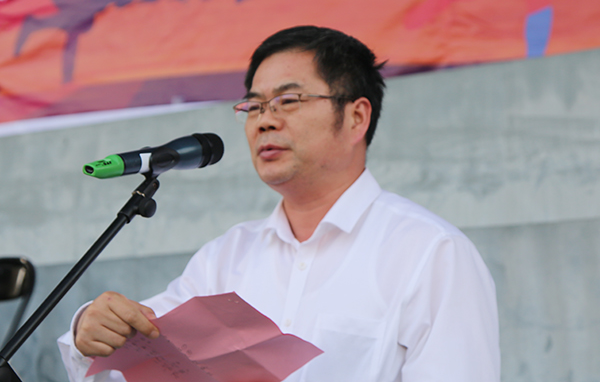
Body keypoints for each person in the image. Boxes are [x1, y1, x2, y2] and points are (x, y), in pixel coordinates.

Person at [58, 25, 500, 381]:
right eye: (253, 107)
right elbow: (140, 358)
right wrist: (90, 331)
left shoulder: (429, 253)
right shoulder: (225, 258)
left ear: (356, 117)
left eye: (288, 101)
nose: (265, 121)